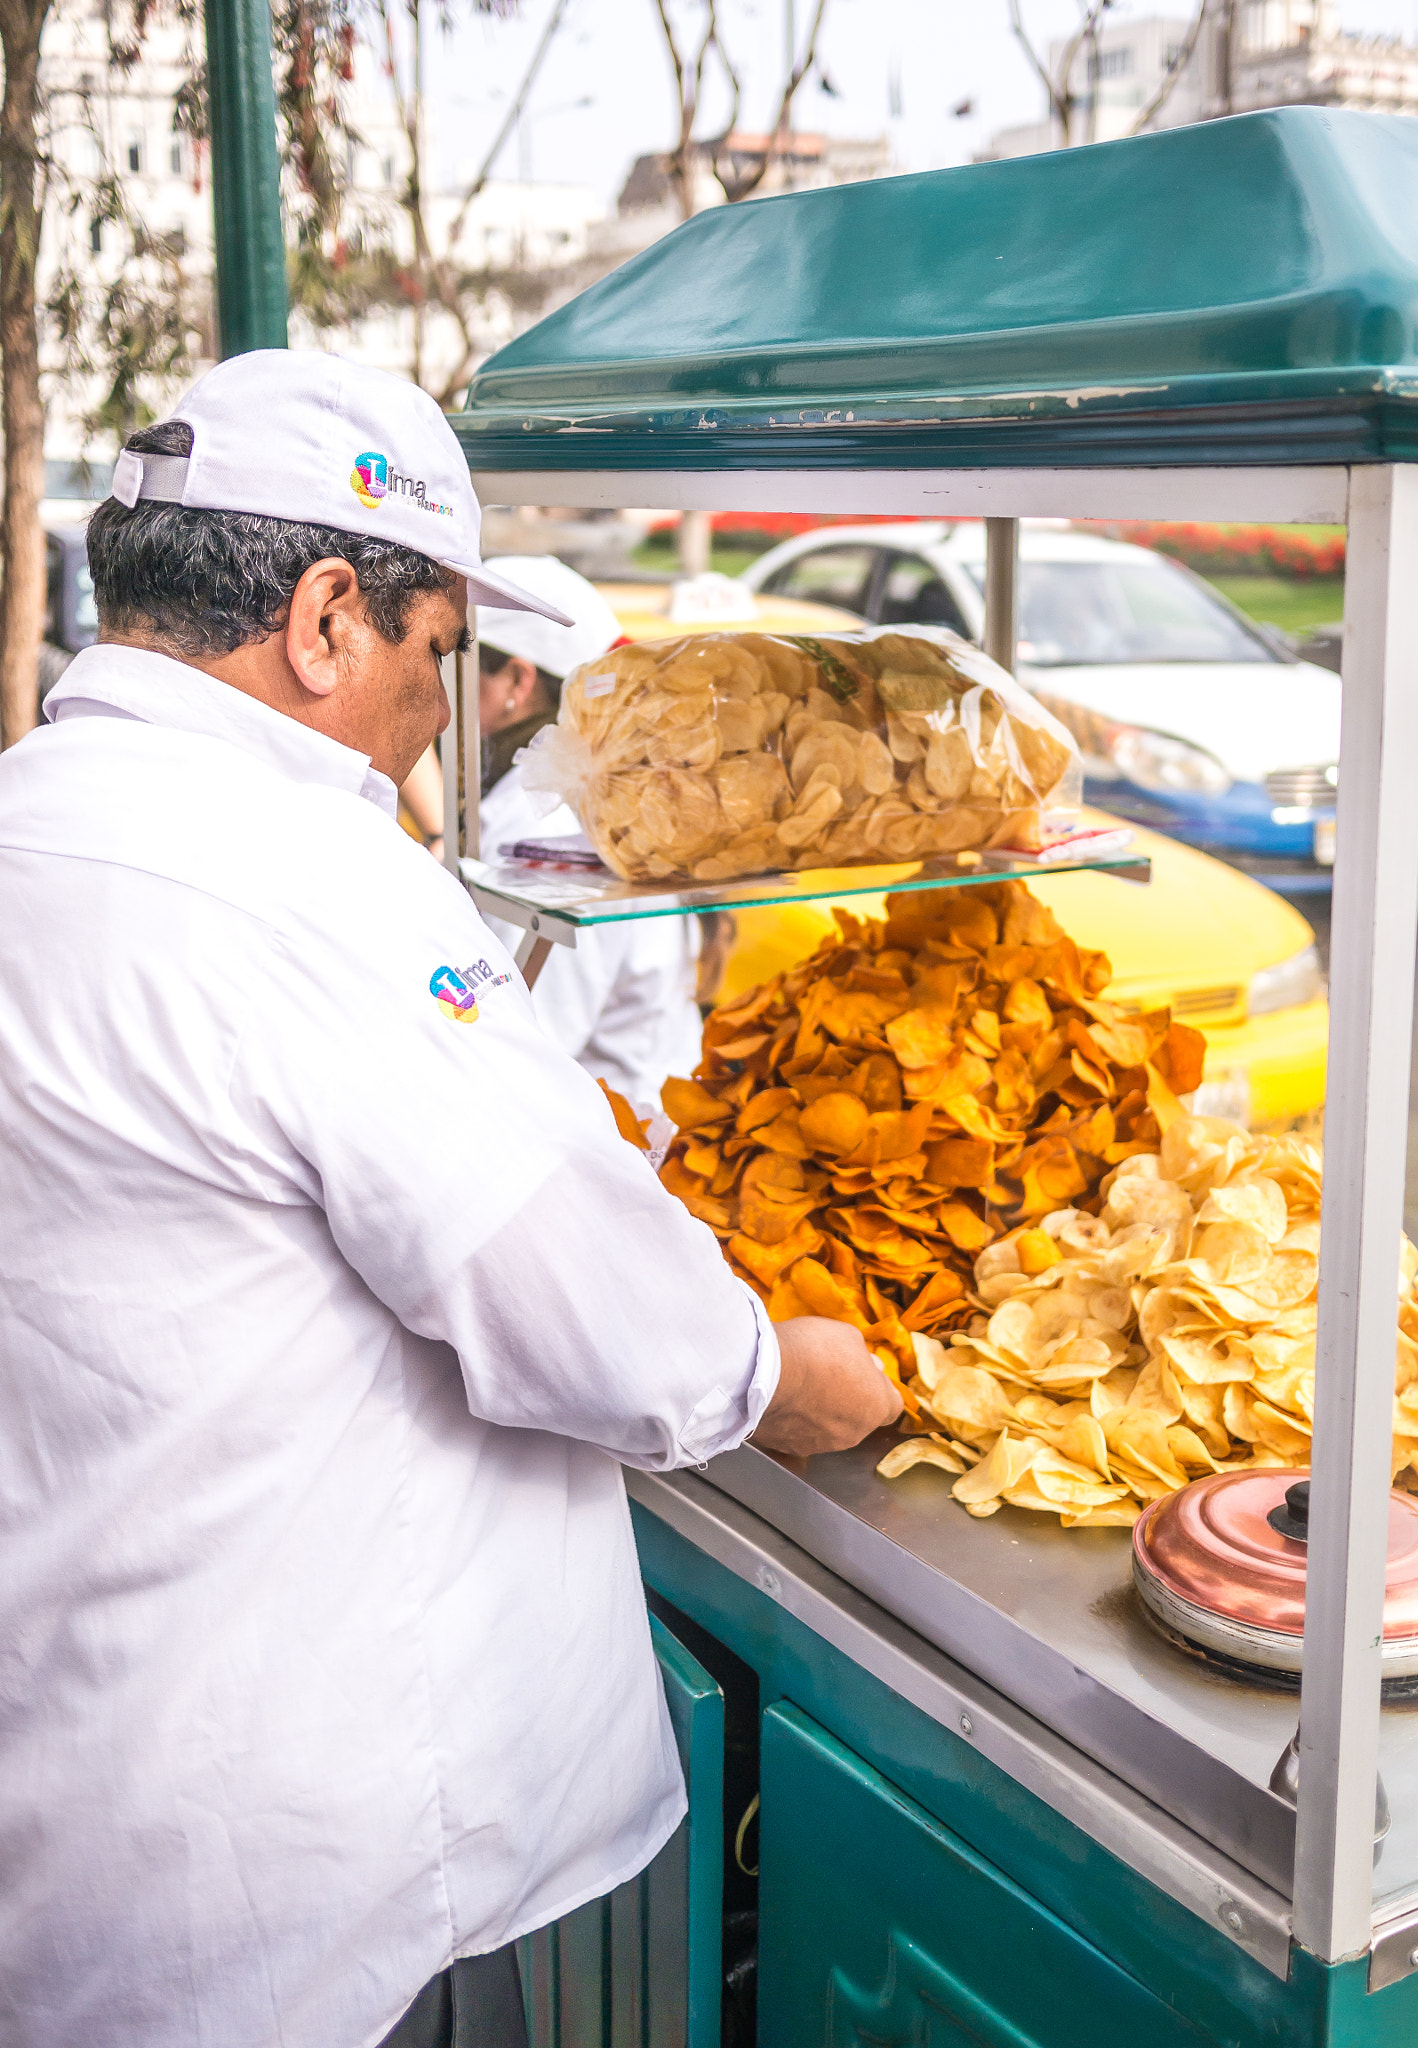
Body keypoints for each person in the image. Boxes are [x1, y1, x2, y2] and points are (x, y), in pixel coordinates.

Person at [0, 350, 901, 2048]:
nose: (444, 700)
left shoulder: (31, 821)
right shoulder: (299, 879)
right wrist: (784, 1375)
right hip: (275, 1877)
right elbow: (586, 1301)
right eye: (439, 649)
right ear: (330, 616)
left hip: (79, 1800)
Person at [474, 557, 704, 1111]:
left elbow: (536, 1043)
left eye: (449, 661)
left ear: (517, 681)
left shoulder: (543, 823)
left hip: (611, 1134)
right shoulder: (576, 797)